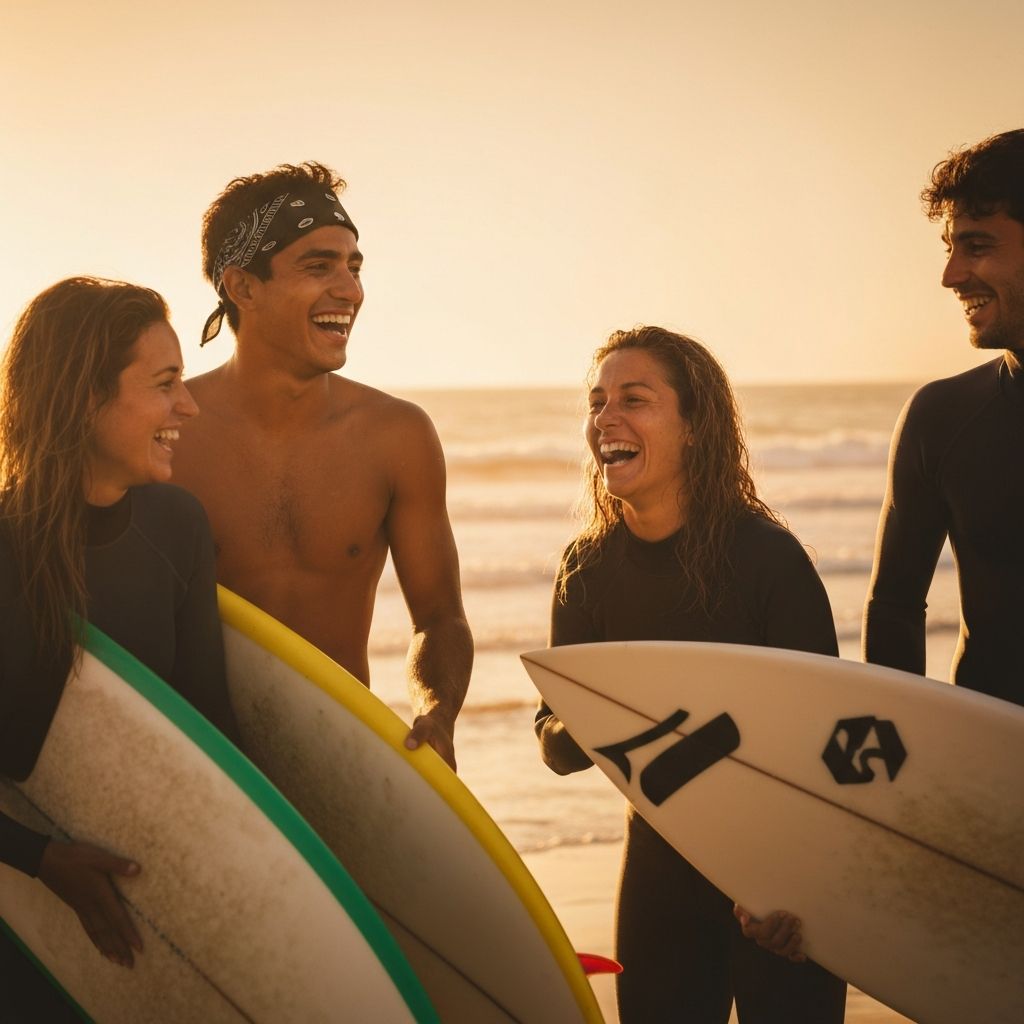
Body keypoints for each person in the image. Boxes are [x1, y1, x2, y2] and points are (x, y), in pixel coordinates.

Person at [534, 326, 846, 1023]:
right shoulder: (587, 570)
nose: (606, 418)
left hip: (782, 878)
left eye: (635, 400)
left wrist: (791, 880)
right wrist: (600, 718)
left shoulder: (767, 560)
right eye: (597, 401)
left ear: (695, 425)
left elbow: (826, 739)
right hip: (661, 873)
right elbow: (554, 743)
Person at [171, 161, 472, 769]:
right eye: (319, 266)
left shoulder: (397, 435)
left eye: (353, 267)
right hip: (201, 763)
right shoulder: (171, 433)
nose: (350, 290)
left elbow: (439, 617)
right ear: (243, 287)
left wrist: (437, 711)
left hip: (341, 755)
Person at [0, 277, 240, 1019]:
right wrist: (41, 863)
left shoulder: (177, 526)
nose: (189, 404)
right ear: (84, 397)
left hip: (142, 908)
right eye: (164, 384)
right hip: (18, 909)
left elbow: (211, 729)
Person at [864, 129, 1024, 706]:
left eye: (977, 246)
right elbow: (894, 609)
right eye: (950, 249)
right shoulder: (941, 418)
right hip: (986, 776)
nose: (951, 276)